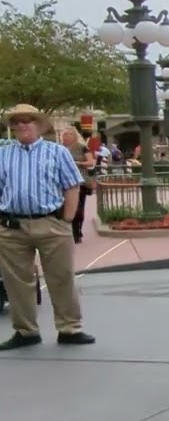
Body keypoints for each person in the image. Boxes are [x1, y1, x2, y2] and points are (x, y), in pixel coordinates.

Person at [0, 105, 95, 351]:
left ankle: (70, 328)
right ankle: (26, 331)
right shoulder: (3, 154)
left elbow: (72, 185)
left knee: (61, 277)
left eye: (28, 120)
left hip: (51, 223)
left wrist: (66, 219)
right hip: (13, 226)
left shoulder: (57, 152)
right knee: (17, 282)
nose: (22, 125)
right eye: (17, 121)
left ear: (39, 125)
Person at [59, 127, 94, 243]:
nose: (66, 136)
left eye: (69, 134)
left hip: (80, 181)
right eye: (65, 134)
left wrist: (76, 163)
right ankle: (67, 231)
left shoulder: (82, 147)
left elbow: (90, 162)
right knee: (63, 208)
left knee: (78, 208)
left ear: (74, 136)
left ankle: (77, 232)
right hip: (63, 182)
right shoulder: (59, 148)